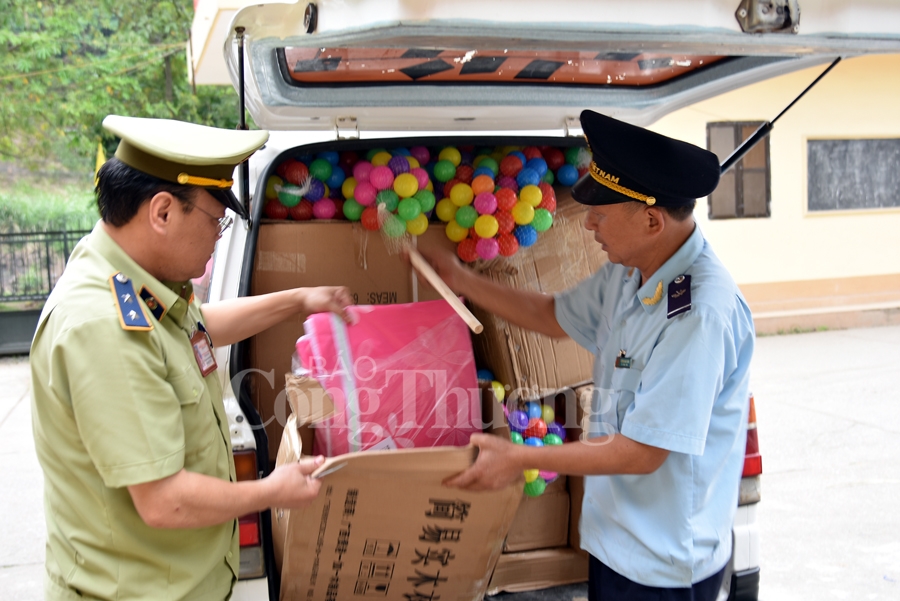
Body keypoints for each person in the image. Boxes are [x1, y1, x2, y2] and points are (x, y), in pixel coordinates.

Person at [423, 110, 755, 601]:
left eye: (601, 210)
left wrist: (518, 458)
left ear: (650, 219)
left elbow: (641, 452)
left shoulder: (696, 314)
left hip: (662, 567)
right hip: (614, 542)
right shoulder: (633, 269)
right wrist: (464, 281)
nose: (588, 224)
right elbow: (555, 317)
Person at [30, 115, 354, 601]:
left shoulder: (128, 278)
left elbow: (198, 326)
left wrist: (298, 299)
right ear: (162, 212)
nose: (219, 234)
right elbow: (164, 502)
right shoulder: (102, 328)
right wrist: (273, 489)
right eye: (214, 219)